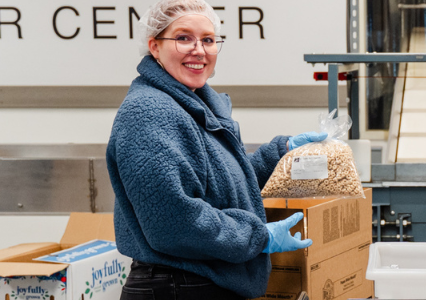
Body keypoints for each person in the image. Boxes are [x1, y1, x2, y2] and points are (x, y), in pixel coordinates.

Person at [106, 0, 324, 299]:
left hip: (202, 282)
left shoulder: (193, 105)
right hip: (177, 287)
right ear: (154, 46)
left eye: (208, 40)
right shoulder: (149, 113)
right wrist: (259, 237)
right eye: (183, 38)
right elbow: (175, 222)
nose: (199, 50)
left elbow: (218, 184)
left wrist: (280, 153)